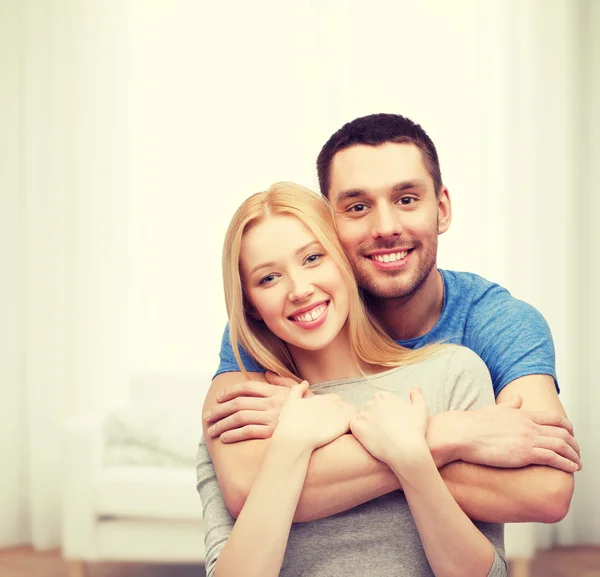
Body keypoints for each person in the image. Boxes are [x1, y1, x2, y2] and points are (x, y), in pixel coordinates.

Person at [202, 114, 580, 526]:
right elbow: (244, 487)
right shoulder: (291, 320)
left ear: (442, 208)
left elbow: (545, 493)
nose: (385, 228)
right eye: (358, 207)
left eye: (406, 199)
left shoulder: (498, 322)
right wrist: (455, 434)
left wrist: (333, 440)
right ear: (328, 223)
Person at [197, 182, 507, 577]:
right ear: (252, 308)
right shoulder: (246, 415)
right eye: (268, 279)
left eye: (312, 258)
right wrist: (292, 442)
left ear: (342, 260)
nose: (299, 289)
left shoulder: (452, 374)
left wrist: (412, 457)